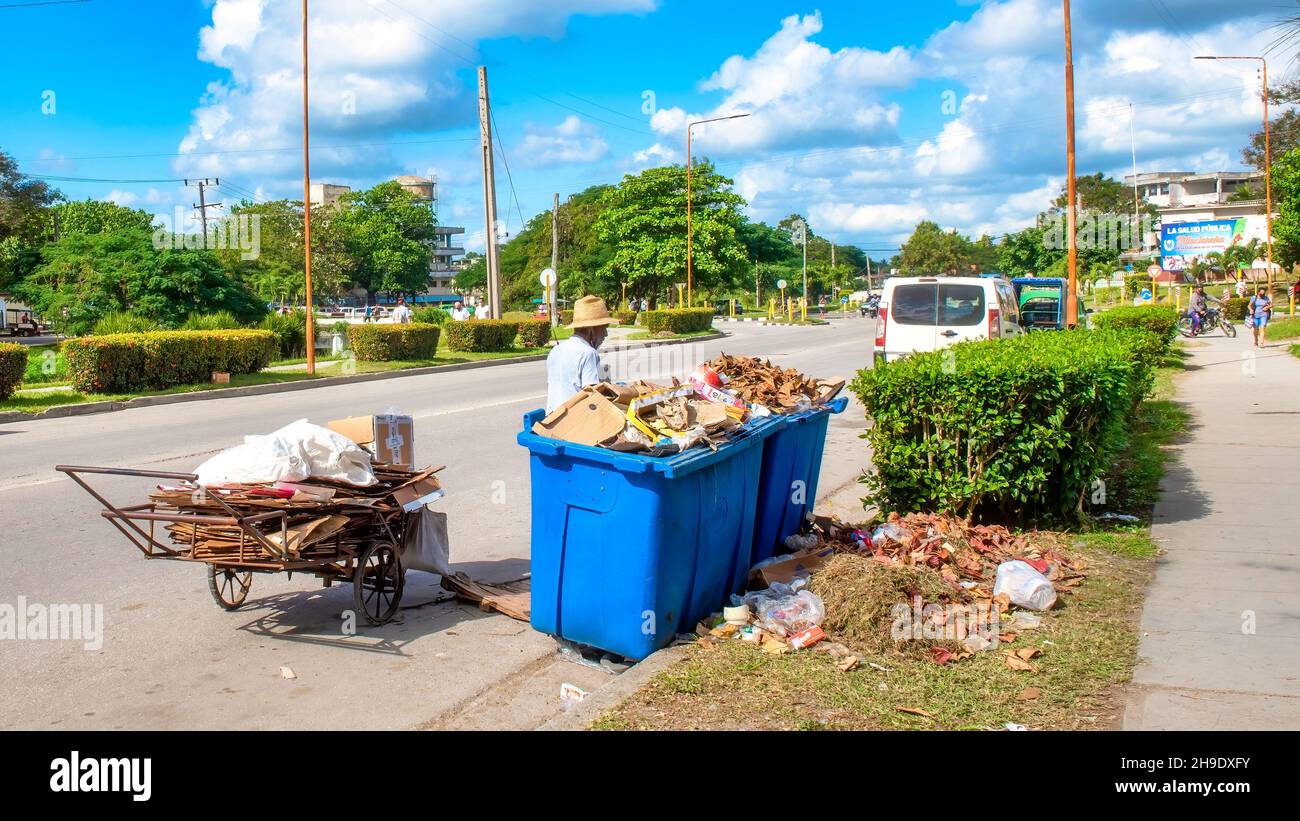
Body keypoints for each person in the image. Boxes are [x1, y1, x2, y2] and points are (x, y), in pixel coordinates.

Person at [545, 295, 613, 414]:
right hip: (574, 422)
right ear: (592, 329)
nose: (606, 334)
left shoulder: (556, 350)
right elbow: (593, 396)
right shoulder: (589, 353)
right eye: (604, 329)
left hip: (552, 417)